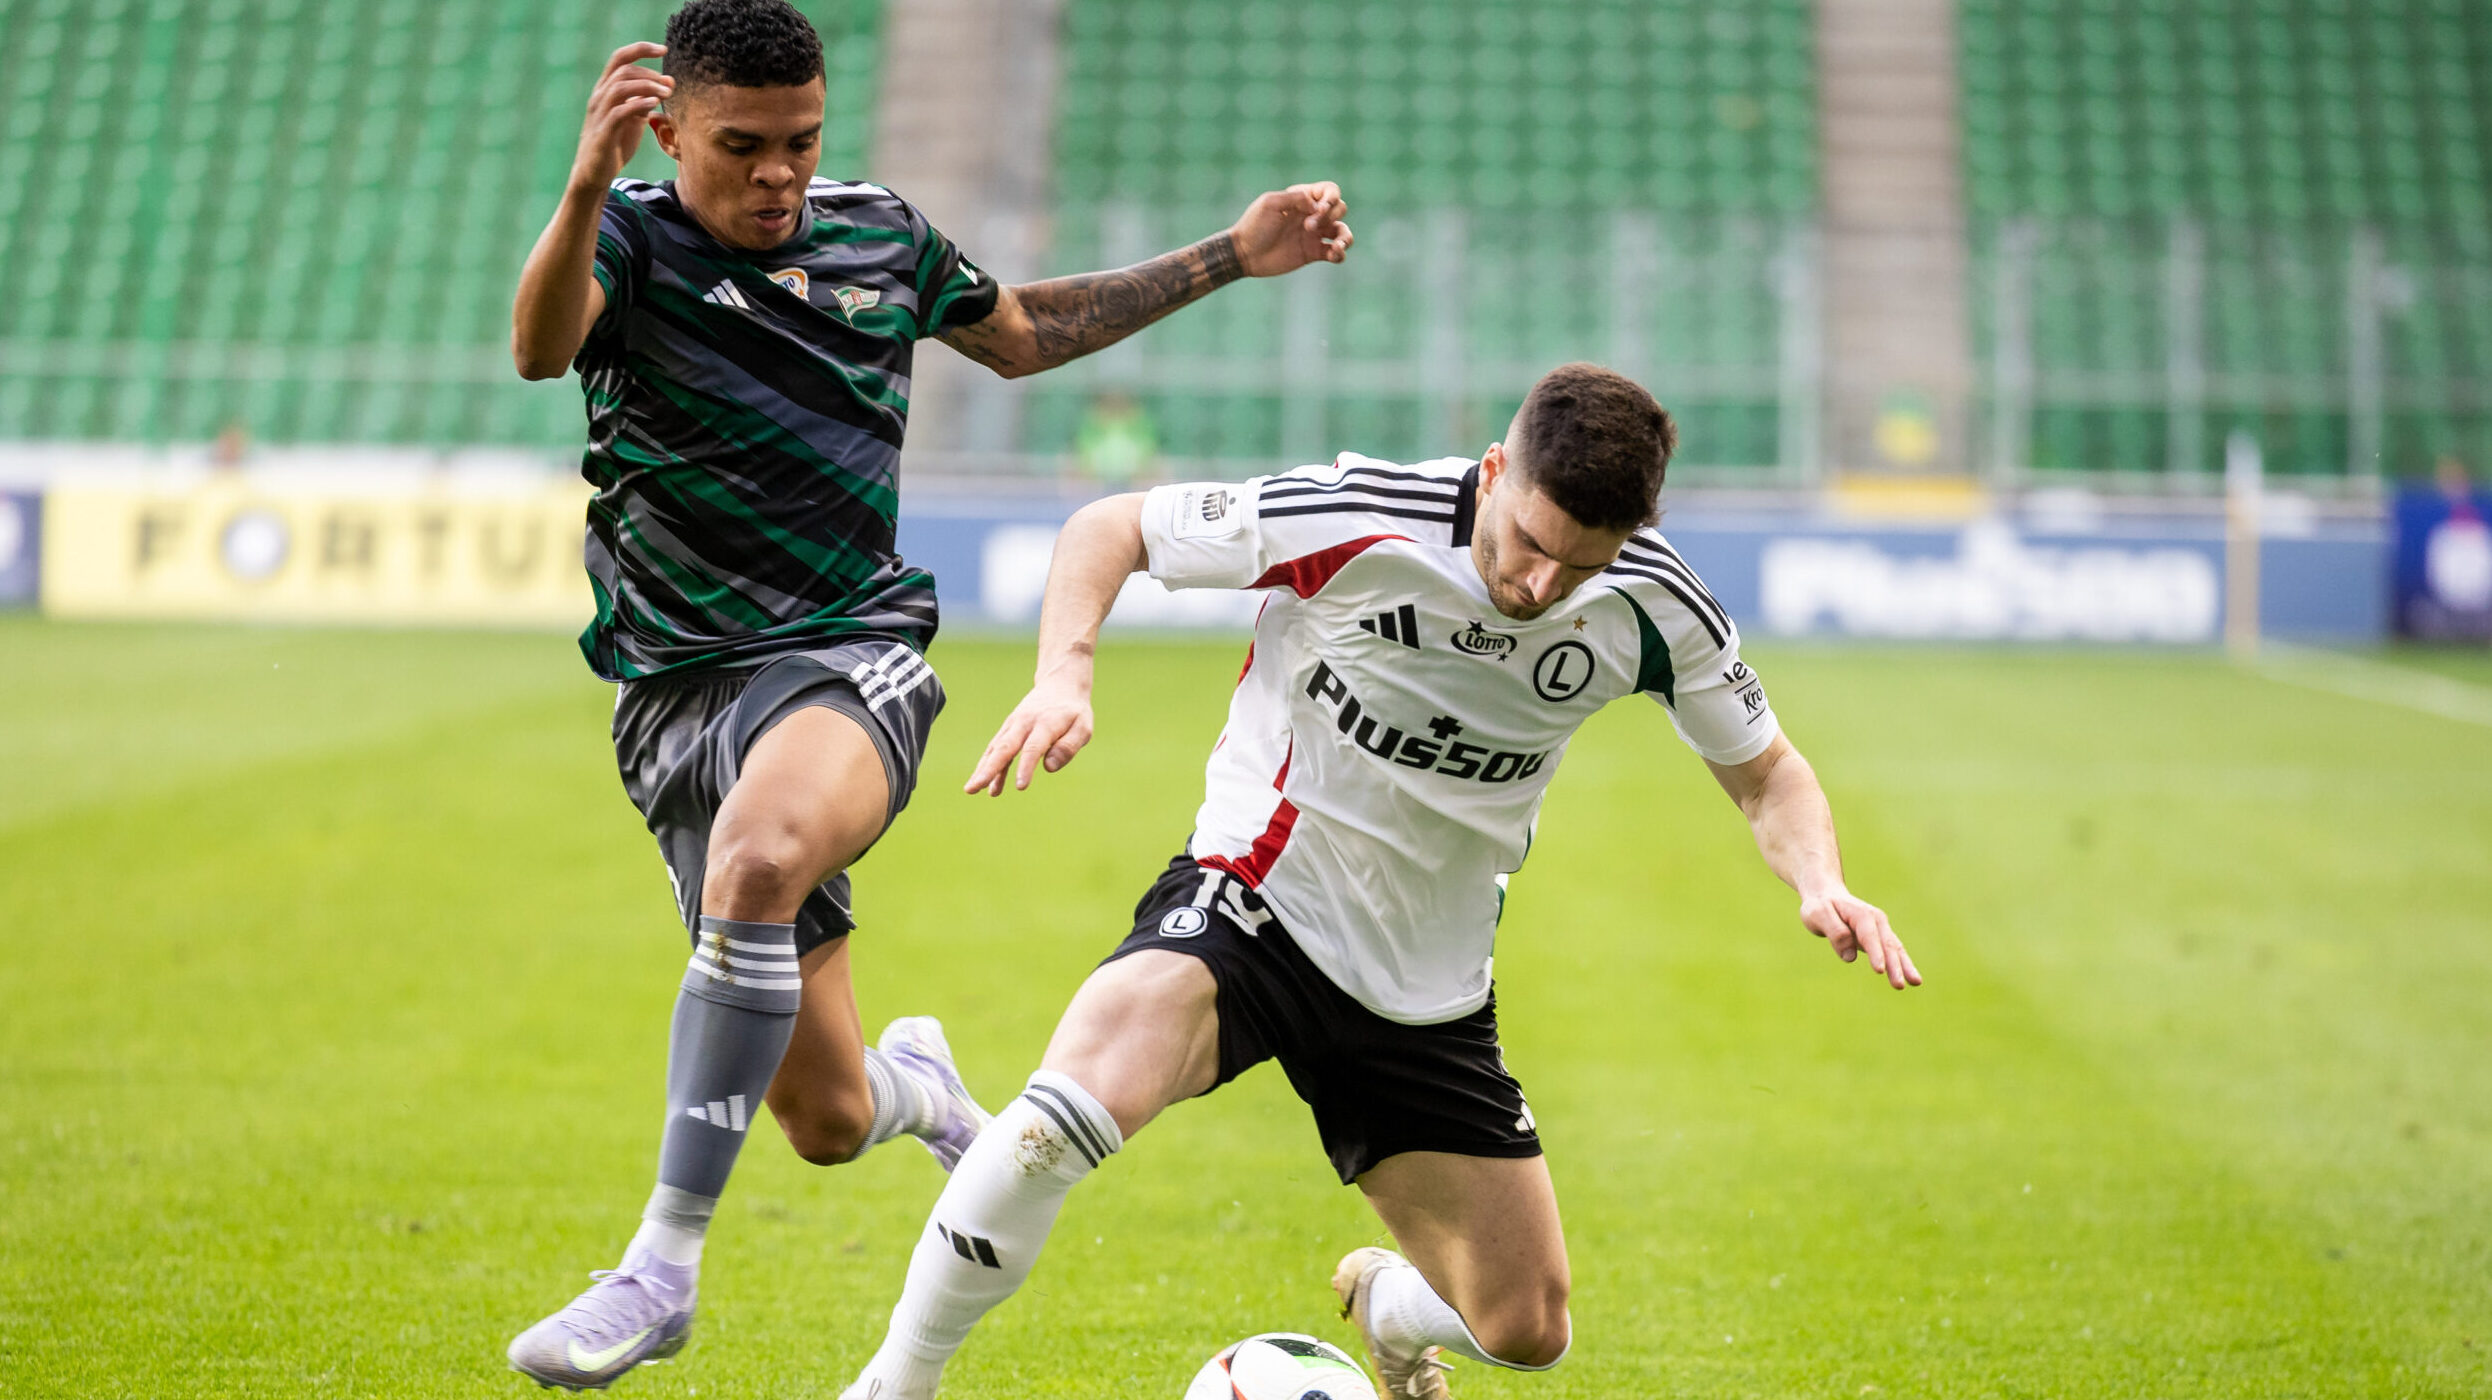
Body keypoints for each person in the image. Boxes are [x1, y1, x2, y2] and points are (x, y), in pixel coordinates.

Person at [501, 1, 1352, 1388]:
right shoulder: (633, 240)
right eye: (742, 147)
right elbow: (543, 349)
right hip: (670, 694)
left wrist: (1231, 259)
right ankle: (920, 1088)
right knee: (828, 1117)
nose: (779, 174)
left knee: (763, 853)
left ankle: (658, 1267)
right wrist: (587, 188)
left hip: (851, 647)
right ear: (668, 132)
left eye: (802, 141)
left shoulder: (877, 233)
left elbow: (1018, 334)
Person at [838, 363, 1921, 1400]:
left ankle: (1393, 1310)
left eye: (1578, 565)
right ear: (1496, 471)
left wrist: (1817, 878)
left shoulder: (1655, 605)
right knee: (1055, 1116)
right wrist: (1064, 670)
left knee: (1526, 1326)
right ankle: (897, 1378)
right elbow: (1107, 527)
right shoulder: (1360, 513)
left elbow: (1765, 772)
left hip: (1426, 983)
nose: (1540, 584)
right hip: (1256, 901)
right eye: (1532, 542)